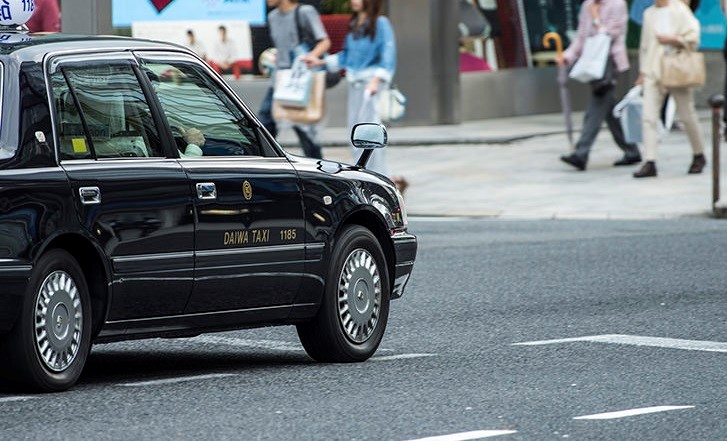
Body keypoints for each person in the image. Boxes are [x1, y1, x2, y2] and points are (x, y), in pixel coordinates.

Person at [308, 0, 407, 191]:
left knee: (371, 135)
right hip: (356, 86)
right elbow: (346, 57)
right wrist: (320, 62)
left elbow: (388, 55)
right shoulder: (354, 24)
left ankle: (380, 181)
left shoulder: (380, 23)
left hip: (371, 88)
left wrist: (377, 80)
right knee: (355, 133)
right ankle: (366, 178)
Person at [558, 0, 642, 171]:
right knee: (610, 110)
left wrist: (596, 17)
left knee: (596, 106)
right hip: (593, 64)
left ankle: (581, 153)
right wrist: (568, 56)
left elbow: (610, 34)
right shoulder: (587, 5)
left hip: (610, 63)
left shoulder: (617, 4)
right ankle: (631, 150)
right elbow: (581, 37)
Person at [633, 0, 704, 178]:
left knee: (687, 115)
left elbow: (694, 36)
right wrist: (642, 72)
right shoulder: (649, 13)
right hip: (653, 70)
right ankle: (650, 161)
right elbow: (644, 46)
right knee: (648, 117)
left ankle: (699, 153)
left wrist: (675, 39)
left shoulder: (680, 10)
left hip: (676, 67)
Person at [259, 0, 331, 159]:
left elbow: (325, 42)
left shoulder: (305, 12)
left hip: (300, 82)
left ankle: (317, 174)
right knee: (264, 127)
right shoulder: (272, 17)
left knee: (305, 131)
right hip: (279, 82)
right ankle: (263, 166)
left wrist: (310, 57)